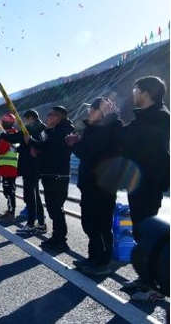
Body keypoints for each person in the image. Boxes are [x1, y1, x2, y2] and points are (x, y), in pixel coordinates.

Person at [113, 76, 170, 298]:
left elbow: (132, 140)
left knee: (149, 235)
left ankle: (157, 286)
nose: (133, 93)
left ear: (147, 93)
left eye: (136, 89)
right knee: (140, 231)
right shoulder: (144, 117)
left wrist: (117, 123)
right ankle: (146, 278)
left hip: (149, 183)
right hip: (138, 183)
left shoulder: (161, 117)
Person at [65, 97, 124, 276]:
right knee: (90, 224)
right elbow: (90, 149)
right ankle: (93, 258)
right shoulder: (95, 129)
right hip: (89, 184)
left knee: (101, 225)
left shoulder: (110, 127)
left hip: (103, 185)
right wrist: (78, 142)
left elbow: (90, 151)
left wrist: (74, 144)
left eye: (91, 108)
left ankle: (102, 262)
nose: (88, 111)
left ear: (101, 112)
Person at [25, 106, 75, 253]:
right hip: (49, 174)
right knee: (53, 208)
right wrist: (36, 150)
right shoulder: (49, 132)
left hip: (58, 175)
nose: (47, 117)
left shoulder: (64, 131)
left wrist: (31, 142)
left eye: (50, 115)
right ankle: (56, 237)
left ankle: (61, 240)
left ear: (57, 118)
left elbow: (49, 146)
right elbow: (44, 148)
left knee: (56, 208)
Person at [3, 109, 47, 234]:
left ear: (30, 118)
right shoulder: (43, 128)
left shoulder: (30, 128)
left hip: (29, 165)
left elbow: (14, 138)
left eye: (25, 119)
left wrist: (2, 135)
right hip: (37, 165)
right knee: (36, 195)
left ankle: (30, 224)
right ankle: (41, 224)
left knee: (30, 196)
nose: (24, 122)